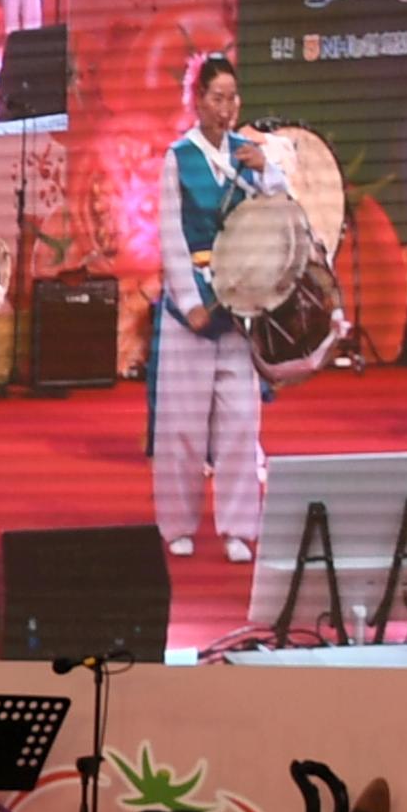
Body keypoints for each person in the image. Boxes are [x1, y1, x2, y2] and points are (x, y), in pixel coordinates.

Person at [150, 53, 283, 564]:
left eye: (233, 98)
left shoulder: (250, 155)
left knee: (240, 423)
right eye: (217, 97)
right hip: (194, 308)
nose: (226, 108)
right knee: (182, 423)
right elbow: (170, 238)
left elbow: (279, 210)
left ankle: (236, 525)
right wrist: (189, 303)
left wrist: (266, 169)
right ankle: (178, 523)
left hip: (241, 304)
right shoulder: (177, 157)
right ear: (197, 100)